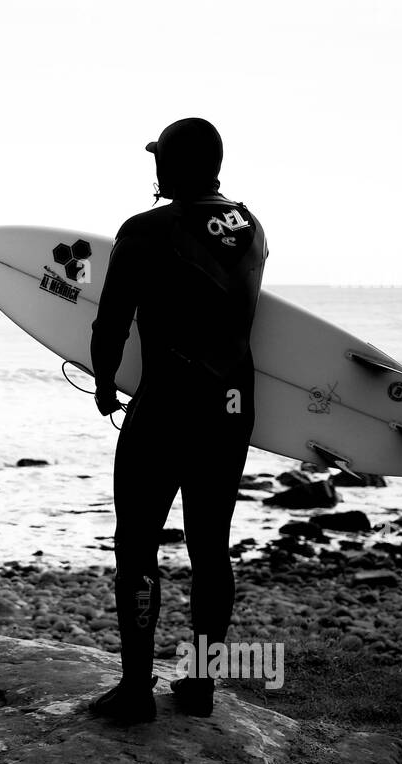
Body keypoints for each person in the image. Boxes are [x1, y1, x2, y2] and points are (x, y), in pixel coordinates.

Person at [87, 118, 268, 723]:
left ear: (168, 165)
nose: (154, 169)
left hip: (166, 408)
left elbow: (110, 322)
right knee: (211, 548)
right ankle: (201, 685)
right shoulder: (250, 227)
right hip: (232, 406)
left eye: (158, 158)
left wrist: (106, 386)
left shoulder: (145, 229)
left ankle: (136, 690)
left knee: (137, 546)